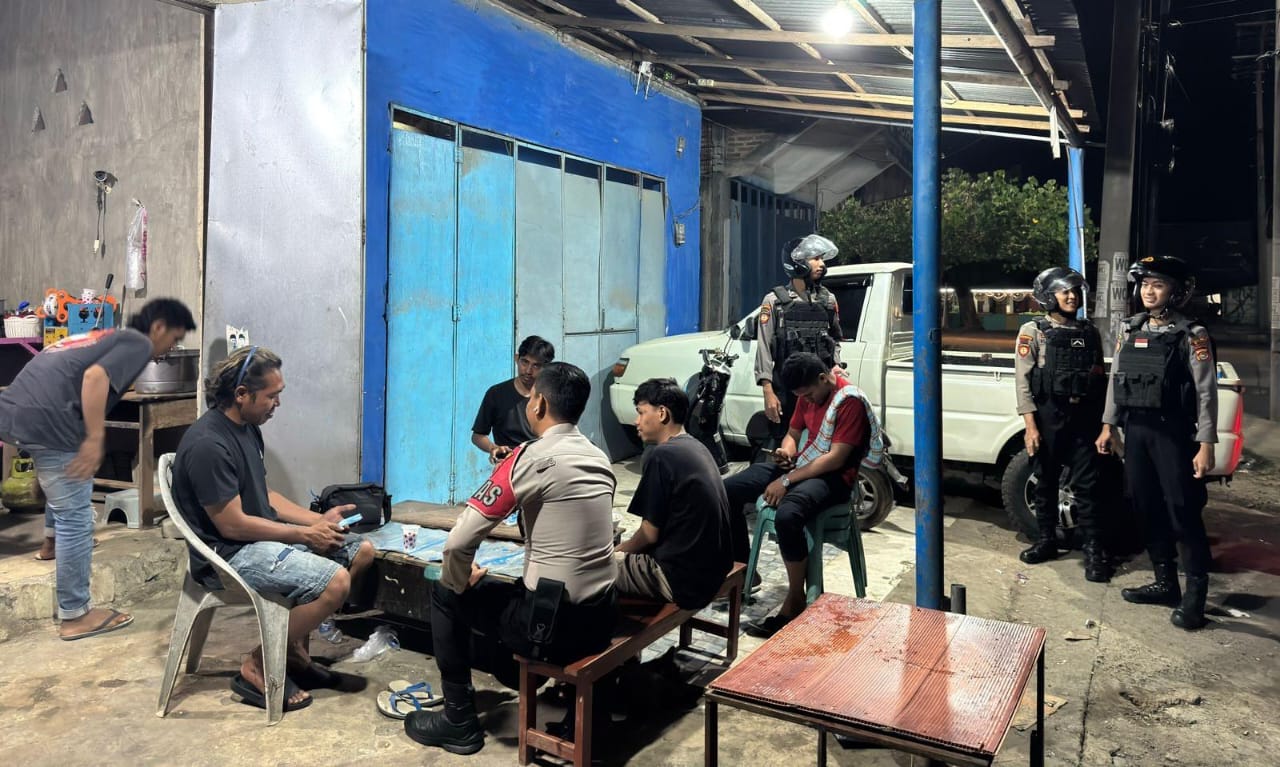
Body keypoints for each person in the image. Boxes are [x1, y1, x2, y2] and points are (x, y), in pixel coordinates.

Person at [405, 361, 617, 756]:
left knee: (445, 588)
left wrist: (459, 578)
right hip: (601, 617)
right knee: (505, 591)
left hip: (553, 627)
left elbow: (458, 542)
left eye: (532, 396)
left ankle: (458, 720)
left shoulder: (529, 458)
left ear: (539, 404)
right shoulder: (598, 457)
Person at [171, 345, 376, 711]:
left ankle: (292, 652)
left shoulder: (248, 429)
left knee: (361, 551)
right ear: (241, 394)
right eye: (272, 395)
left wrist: (318, 521)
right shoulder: (208, 444)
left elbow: (265, 495)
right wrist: (304, 535)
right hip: (227, 556)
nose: (277, 403)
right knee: (336, 582)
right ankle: (259, 662)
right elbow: (232, 525)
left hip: (254, 540)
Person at [0, 298, 195, 641]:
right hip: (52, 422)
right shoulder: (137, 343)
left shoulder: (100, 336)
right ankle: (76, 615)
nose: (171, 347)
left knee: (66, 489)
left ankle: (51, 544)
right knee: (76, 516)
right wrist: (93, 438)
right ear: (158, 327)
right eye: (174, 338)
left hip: (15, 413)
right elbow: (94, 377)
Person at [1096, 255, 1218, 630]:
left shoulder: (1192, 334)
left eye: (1158, 284)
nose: (1148, 291)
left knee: (1183, 510)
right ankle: (1166, 583)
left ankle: (1195, 595)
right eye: (1144, 284)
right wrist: (1108, 425)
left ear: (1175, 292)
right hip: (1136, 430)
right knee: (1144, 505)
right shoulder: (1130, 328)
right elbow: (1117, 378)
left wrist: (1206, 442)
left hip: (1173, 433)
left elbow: (1206, 392)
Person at [724, 352, 869, 638]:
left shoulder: (849, 401)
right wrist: (786, 452)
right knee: (727, 490)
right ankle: (743, 571)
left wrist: (786, 480)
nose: (808, 400)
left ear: (823, 378)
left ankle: (795, 598)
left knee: (789, 514)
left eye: (809, 394)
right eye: (802, 396)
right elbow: (793, 433)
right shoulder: (807, 394)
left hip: (834, 477)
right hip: (803, 465)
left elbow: (836, 459)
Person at [1013, 267, 1110, 582]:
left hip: (1085, 419)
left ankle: (1094, 552)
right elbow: (1023, 382)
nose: (1071, 296)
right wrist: (1031, 426)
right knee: (1045, 482)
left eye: (1075, 291)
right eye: (1064, 291)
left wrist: (1107, 426)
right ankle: (1046, 541)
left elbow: (1100, 378)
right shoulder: (1033, 331)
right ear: (1048, 297)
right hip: (1048, 416)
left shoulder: (1090, 332)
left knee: (1089, 486)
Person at [614, 378, 734, 610]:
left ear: (662, 413)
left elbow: (648, 535)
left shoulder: (662, 456)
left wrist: (614, 552)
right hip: (713, 571)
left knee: (587, 570)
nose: (636, 421)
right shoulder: (696, 446)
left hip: (681, 580)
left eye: (641, 412)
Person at [753, 234, 844, 446]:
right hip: (788, 389)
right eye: (815, 258)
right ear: (797, 263)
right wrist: (768, 391)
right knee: (784, 442)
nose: (822, 264)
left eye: (822, 259)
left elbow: (835, 339)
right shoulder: (774, 302)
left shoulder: (828, 300)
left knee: (823, 443)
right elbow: (764, 347)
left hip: (821, 389)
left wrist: (836, 365)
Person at [470, 335, 555, 463]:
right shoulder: (496, 394)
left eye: (536, 366)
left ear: (546, 368)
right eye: (524, 362)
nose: (528, 370)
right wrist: (493, 448)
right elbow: (478, 436)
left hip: (542, 466)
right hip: (508, 467)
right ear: (516, 359)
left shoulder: (551, 396)